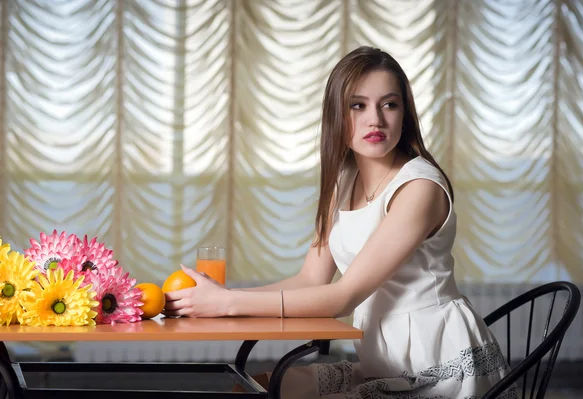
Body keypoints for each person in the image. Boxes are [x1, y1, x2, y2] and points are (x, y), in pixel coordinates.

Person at [163, 46, 515, 398]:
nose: (375, 119)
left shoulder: (419, 187)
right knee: (257, 388)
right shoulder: (343, 181)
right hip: (384, 362)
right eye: (357, 105)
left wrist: (226, 305)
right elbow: (310, 279)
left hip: (439, 366)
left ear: (405, 114)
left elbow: (343, 298)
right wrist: (222, 298)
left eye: (389, 104)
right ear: (337, 114)